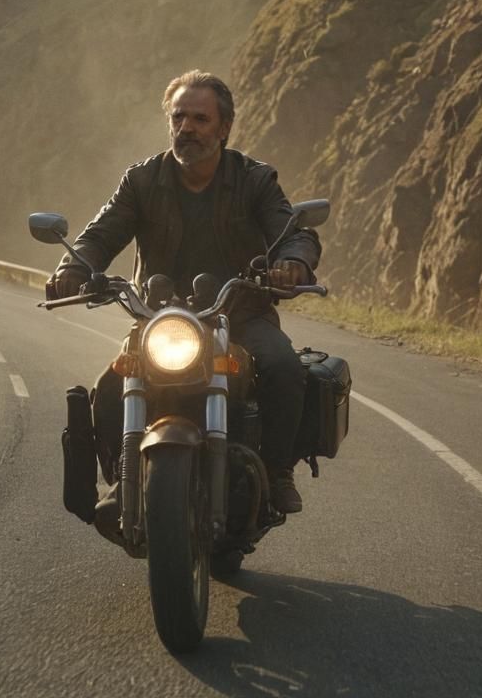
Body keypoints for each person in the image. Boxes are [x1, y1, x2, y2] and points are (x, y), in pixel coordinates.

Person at [45, 70, 321, 514]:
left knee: (283, 367)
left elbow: (293, 232)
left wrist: (292, 262)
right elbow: (100, 235)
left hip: (240, 315)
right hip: (159, 318)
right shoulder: (142, 181)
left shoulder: (254, 180)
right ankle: (122, 478)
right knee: (111, 388)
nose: (187, 128)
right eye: (179, 117)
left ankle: (276, 471)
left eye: (200, 119)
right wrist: (73, 268)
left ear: (224, 127)